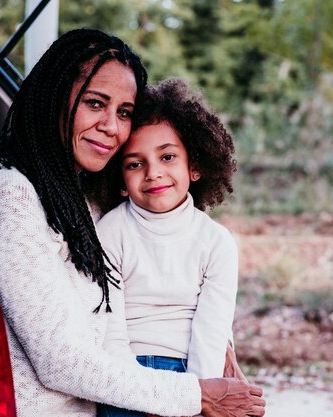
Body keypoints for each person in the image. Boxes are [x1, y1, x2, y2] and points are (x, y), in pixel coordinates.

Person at [0, 28, 265, 417]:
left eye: (124, 112)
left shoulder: (79, 195)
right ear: (54, 99)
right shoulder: (6, 195)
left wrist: (219, 356)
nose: (112, 127)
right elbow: (60, 360)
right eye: (95, 104)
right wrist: (193, 395)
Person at [94, 78, 243, 417]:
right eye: (135, 164)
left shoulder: (216, 242)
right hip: (126, 376)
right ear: (120, 181)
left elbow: (212, 331)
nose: (153, 173)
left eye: (168, 156)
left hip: (191, 373)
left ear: (194, 167)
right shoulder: (111, 232)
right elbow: (109, 326)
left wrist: (192, 399)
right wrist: (141, 392)